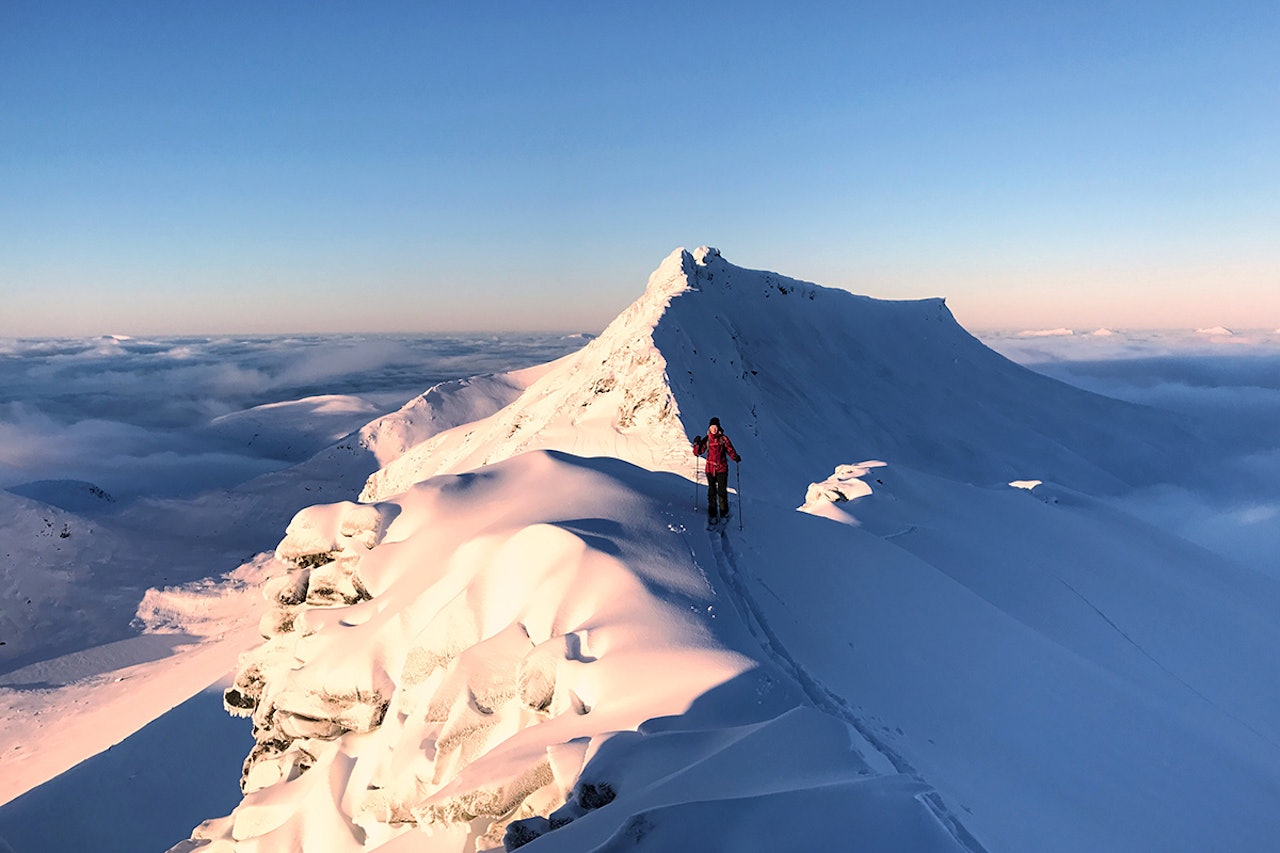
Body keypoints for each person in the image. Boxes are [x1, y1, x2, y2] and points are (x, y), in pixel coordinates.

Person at [691, 417, 741, 525]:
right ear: (709, 427)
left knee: (722, 492)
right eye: (712, 427)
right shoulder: (707, 439)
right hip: (710, 469)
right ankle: (713, 513)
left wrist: (735, 457)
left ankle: (723, 513)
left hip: (722, 469)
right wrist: (696, 444)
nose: (714, 429)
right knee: (712, 491)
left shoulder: (723, 439)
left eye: (715, 427)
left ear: (718, 427)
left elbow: (730, 449)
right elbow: (698, 452)